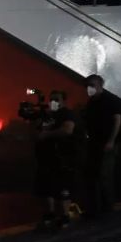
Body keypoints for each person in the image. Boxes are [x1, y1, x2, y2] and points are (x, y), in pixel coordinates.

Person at [34, 91, 79, 229]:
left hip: (63, 157)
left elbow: (67, 130)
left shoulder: (67, 114)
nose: (53, 101)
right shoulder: (48, 116)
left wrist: (47, 134)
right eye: (51, 99)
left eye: (56, 99)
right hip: (47, 158)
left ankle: (65, 216)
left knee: (63, 188)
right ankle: (50, 214)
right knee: (47, 187)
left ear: (63, 100)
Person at [82, 74, 121, 217]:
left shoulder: (110, 100)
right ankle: (94, 209)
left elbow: (117, 120)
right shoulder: (91, 102)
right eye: (88, 85)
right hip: (94, 143)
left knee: (104, 174)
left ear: (100, 86)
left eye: (92, 85)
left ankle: (108, 208)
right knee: (92, 175)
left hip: (107, 143)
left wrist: (111, 141)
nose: (89, 88)